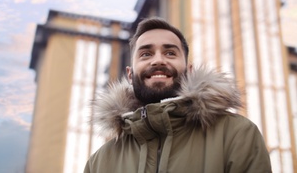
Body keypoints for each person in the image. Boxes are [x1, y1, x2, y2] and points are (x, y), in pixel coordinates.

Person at [84, 17, 271, 173]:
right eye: (146, 54)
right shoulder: (99, 164)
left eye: (170, 53)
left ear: (189, 70)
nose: (158, 60)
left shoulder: (236, 134)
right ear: (130, 73)